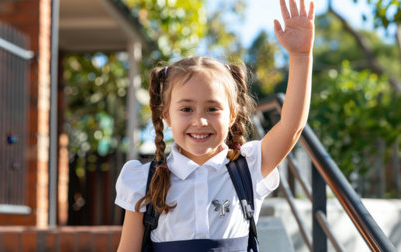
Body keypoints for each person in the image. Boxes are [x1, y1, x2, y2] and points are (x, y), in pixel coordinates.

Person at [115, 0, 314, 250]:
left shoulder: (249, 168)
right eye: (186, 109)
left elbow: (291, 126)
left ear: (232, 116)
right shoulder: (143, 181)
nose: (200, 121)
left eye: (212, 109)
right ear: (166, 116)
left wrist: (300, 57)